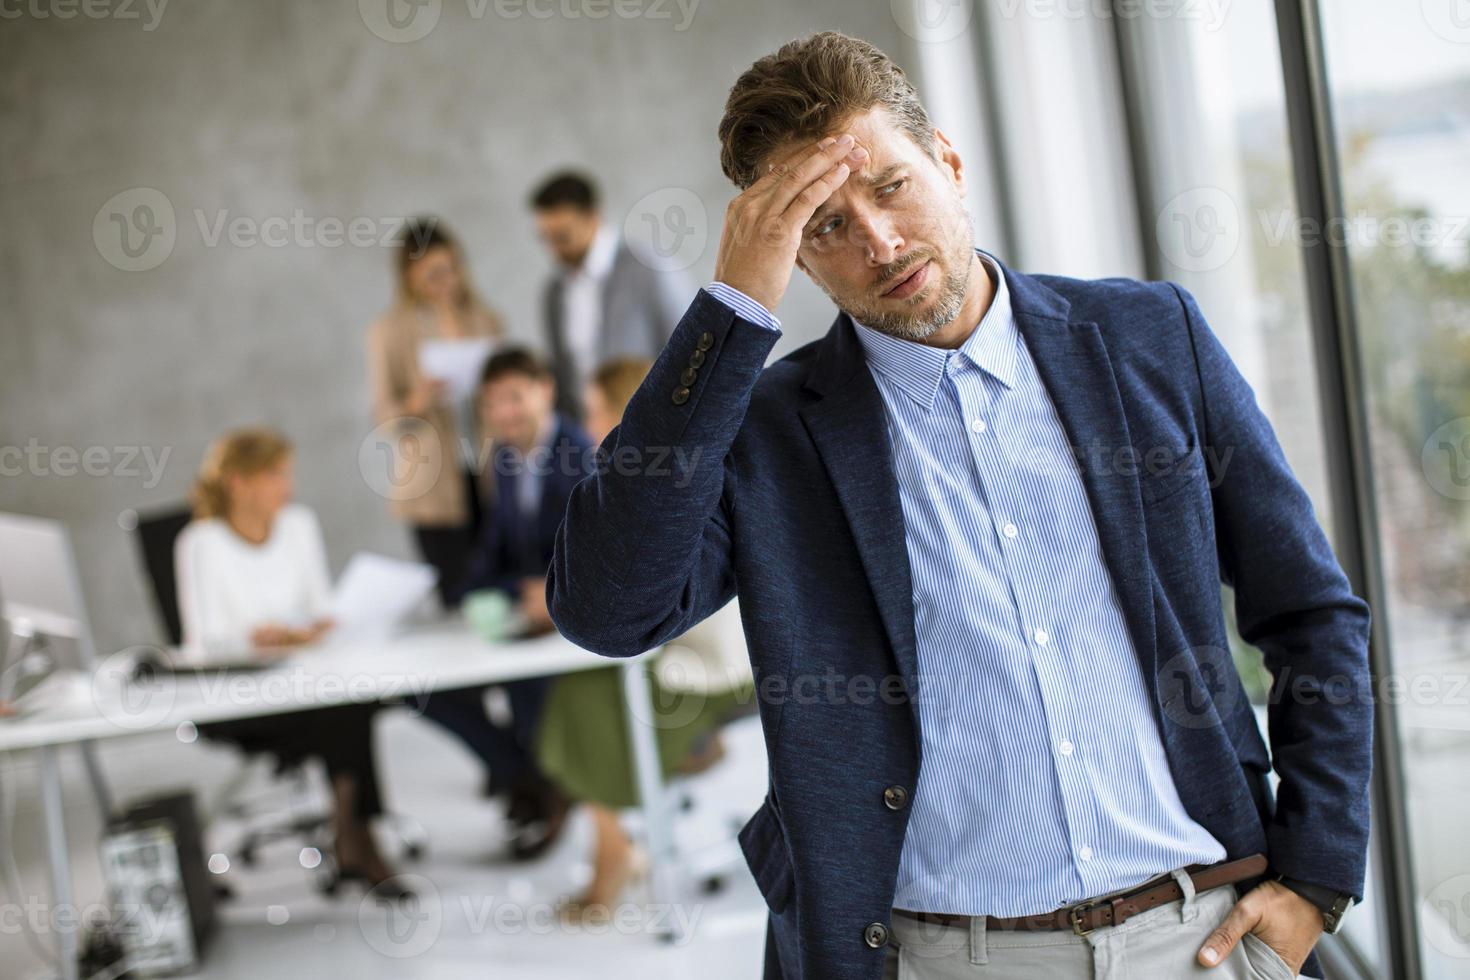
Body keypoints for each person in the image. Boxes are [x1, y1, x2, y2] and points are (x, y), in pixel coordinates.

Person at [547, 32, 1371, 980]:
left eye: (890, 186)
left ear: (947, 160)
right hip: (941, 956)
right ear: (798, 262)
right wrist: (731, 310)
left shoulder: (1150, 336)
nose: (879, 242)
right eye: (823, 225)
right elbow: (607, 610)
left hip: (1202, 933)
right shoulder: (767, 434)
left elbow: (1310, 611)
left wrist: (1316, 874)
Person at [535, 357, 751, 923]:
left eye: (594, 408)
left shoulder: (665, 478)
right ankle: (615, 845)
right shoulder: (632, 473)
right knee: (578, 683)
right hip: (678, 647)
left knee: (584, 693)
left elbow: (649, 592)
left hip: (708, 663)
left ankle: (614, 851)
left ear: (625, 412)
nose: (584, 421)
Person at [176, 429, 405, 898]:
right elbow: (203, 642)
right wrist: (255, 639)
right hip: (242, 698)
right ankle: (358, 836)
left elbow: (320, 605)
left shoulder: (298, 524)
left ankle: (351, 830)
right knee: (347, 712)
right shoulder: (200, 542)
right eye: (276, 475)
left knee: (350, 702)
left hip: (306, 679)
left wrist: (314, 627)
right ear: (239, 482)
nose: (288, 488)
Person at [417, 348, 589, 861]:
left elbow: (601, 548)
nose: (505, 414)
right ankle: (530, 780)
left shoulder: (582, 451)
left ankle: (538, 787)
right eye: (493, 404)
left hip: (572, 619)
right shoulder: (506, 457)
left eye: (515, 398)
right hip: (521, 611)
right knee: (425, 691)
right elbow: (495, 544)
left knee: (522, 683)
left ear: (545, 390)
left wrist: (553, 592)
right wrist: (467, 595)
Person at [367, 217, 504, 607]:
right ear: (409, 276)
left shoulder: (485, 320)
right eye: (433, 273)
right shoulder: (389, 332)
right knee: (458, 594)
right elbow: (385, 419)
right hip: (432, 483)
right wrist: (419, 399)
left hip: (489, 471)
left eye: (452, 269)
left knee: (499, 584)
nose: (446, 281)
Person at [529, 172, 689, 420]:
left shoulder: (649, 267)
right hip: (589, 437)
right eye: (545, 238)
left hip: (651, 425)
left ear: (593, 218)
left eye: (562, 236)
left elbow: (688, 348)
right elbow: (562, 373)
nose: (553, 249)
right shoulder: (554, 291)